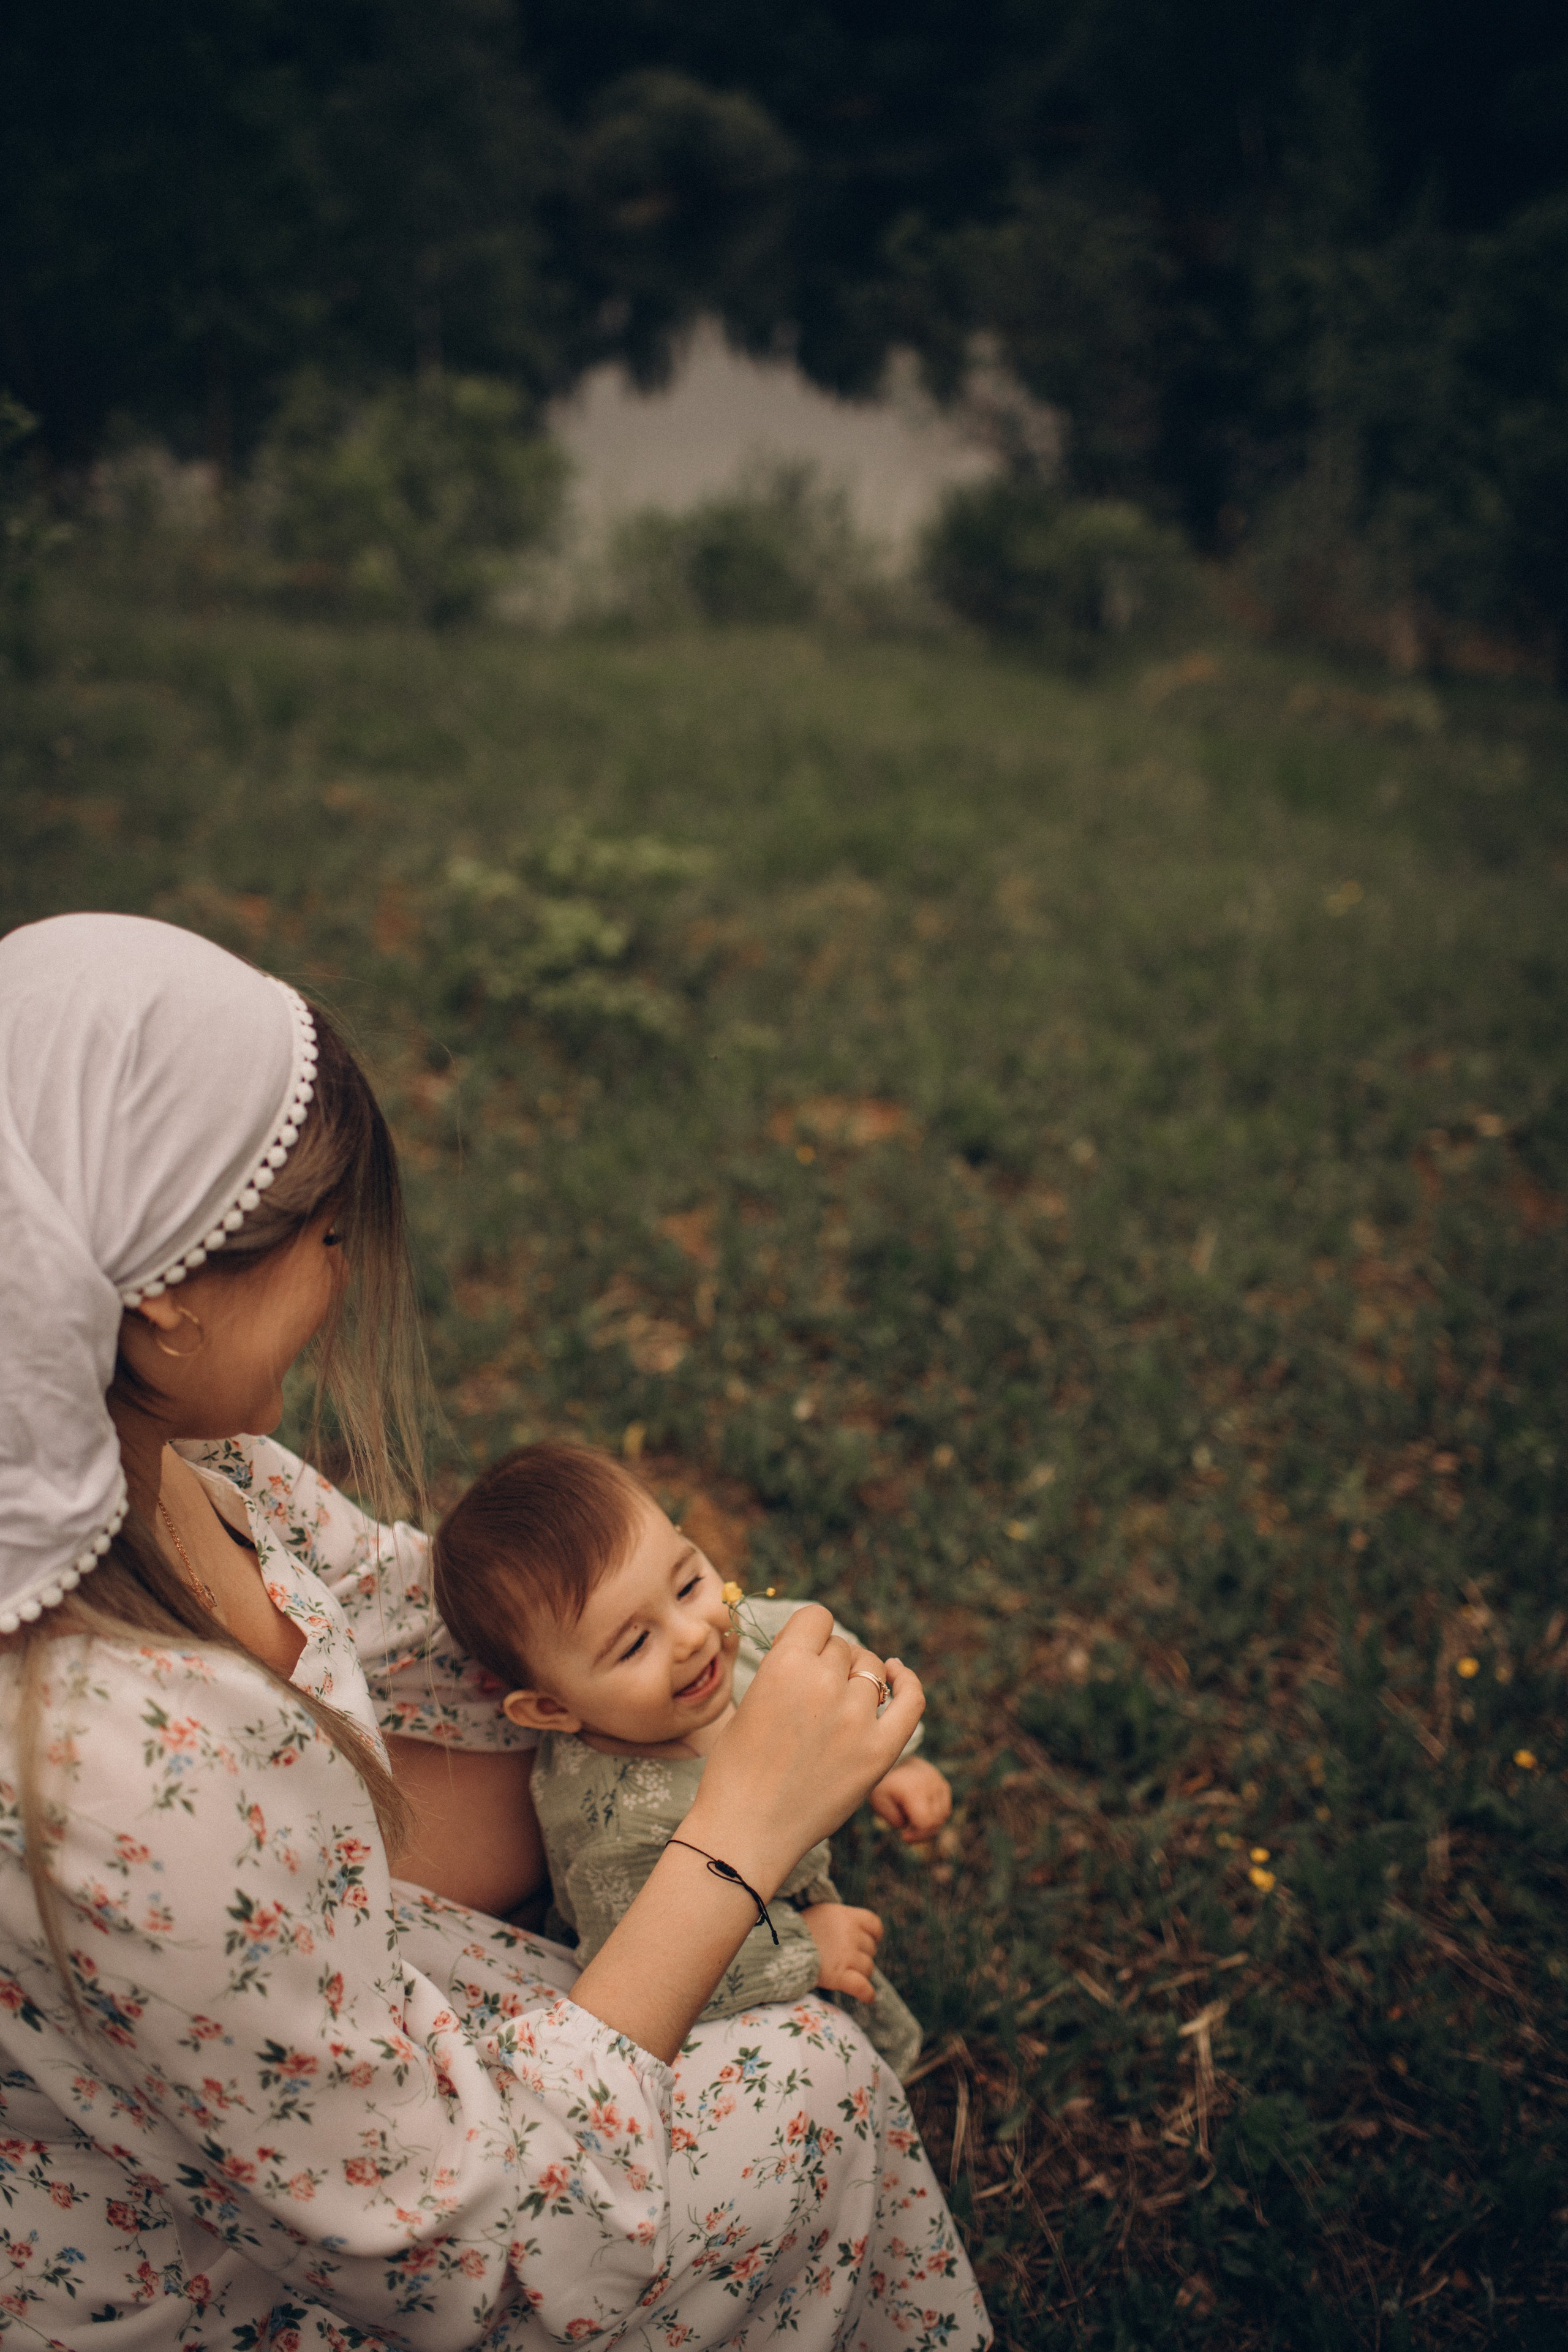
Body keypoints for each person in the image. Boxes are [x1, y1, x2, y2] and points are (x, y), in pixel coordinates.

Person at [0, 911, 989, 2350]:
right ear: (155, 1296)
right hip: (232, 2271)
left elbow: (455, 1624)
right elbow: (465, 2254)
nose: (344, 1276)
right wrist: (740, 1832)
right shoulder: (106, 1768)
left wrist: (713, 1661)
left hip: (317, 2060)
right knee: (813, 2088)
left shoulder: (175, 1477)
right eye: (323, 1238)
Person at [431, 1443, 954, 2082]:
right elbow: (647, 1967)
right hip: (739, 1985)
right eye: (634, 1644)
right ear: (549, 1709)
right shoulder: (613, 1827)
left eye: (686, 1583)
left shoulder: (729, 1640)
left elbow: (829, 1656)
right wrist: (803, 1946)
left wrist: (892, 1758)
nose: (691, 1635)